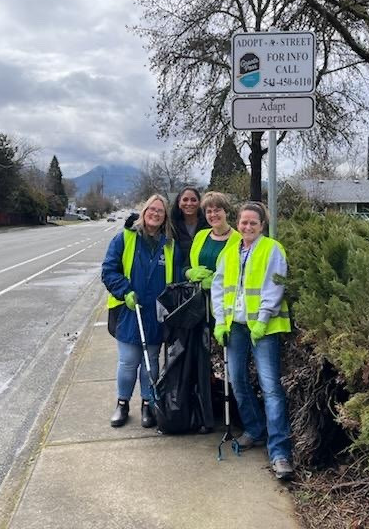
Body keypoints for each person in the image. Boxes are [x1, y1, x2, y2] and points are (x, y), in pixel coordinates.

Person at [211, 201, 294, 480]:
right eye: (243, 222)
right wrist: (220, 321)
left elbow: (276, 285)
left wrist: (263, 319)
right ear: (237, 223)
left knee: (270, 387)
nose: (247, 227)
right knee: (237, 380)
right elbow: (219, 287)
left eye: (253, 223)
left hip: (264, 328)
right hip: (235, 327)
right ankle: (254, 429)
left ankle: (280, 452)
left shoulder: (272, 249)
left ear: (262, 225)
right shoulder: (230, 251)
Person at [102, 194, 182, 429]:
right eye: (151, 210)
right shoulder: (125, 239)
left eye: (160, 211)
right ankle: (122, 403)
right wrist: (124, 291)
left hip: (156, 313)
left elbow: (175, 277)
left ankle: (148, 403)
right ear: (144, 212)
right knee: (128, 362)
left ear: (165, 216)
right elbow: (109, 270)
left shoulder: (170, 245)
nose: (155, 214)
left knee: (151, 362)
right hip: (130, 310)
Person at [183, 191, 242, 432]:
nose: (213, 214)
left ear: (226, 212)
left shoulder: (238, 239)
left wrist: (217, 281)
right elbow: (189, 264)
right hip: (199, 308)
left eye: (217, 209)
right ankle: (207, 413)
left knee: (226, 363)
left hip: (225, 311)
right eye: (208, 211)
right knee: (203, 363)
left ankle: (233, 412)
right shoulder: (200, 237)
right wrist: (190, 274)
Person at [170, 187, 208, 263]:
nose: (189, 203)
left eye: (193, 200)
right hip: (176, 271)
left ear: (199, 203)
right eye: (185, 200)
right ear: (178, 202)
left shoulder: (208, 226)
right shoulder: (171, 226)